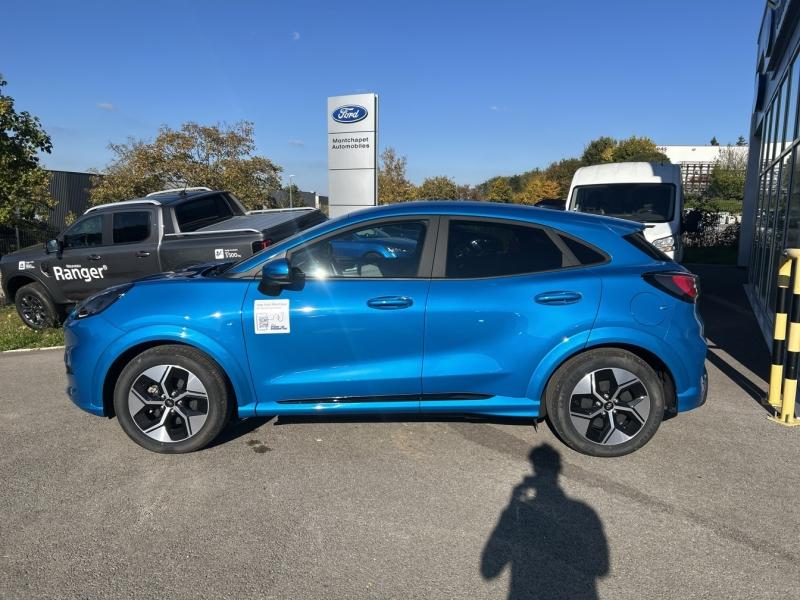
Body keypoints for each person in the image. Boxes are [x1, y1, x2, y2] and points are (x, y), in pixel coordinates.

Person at [481, 444, 609, 600]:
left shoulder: (522, 514)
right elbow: (602, 568)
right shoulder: (585, 513)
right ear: (558, 470)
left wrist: (511, 508)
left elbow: (489, 570)